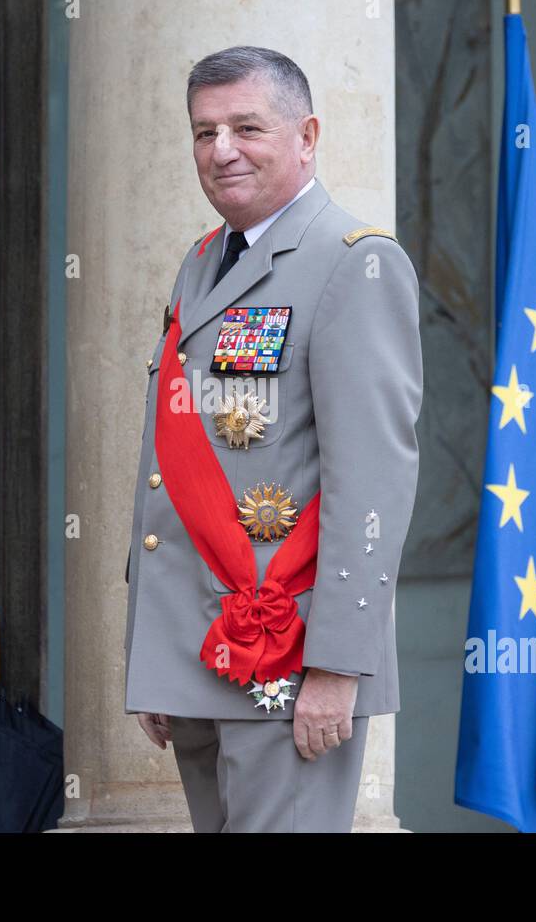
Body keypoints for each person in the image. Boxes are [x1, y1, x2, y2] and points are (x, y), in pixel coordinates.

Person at [123, 45, 423, 832]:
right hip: (198, 651)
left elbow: (372, 483)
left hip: (287, 658)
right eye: (203, 132)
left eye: (246, 127)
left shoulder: (353, 265)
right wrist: (155, 657)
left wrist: (336, 666)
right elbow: (174, 473)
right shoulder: (201, 264)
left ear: (307, 135)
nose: (220, 150)